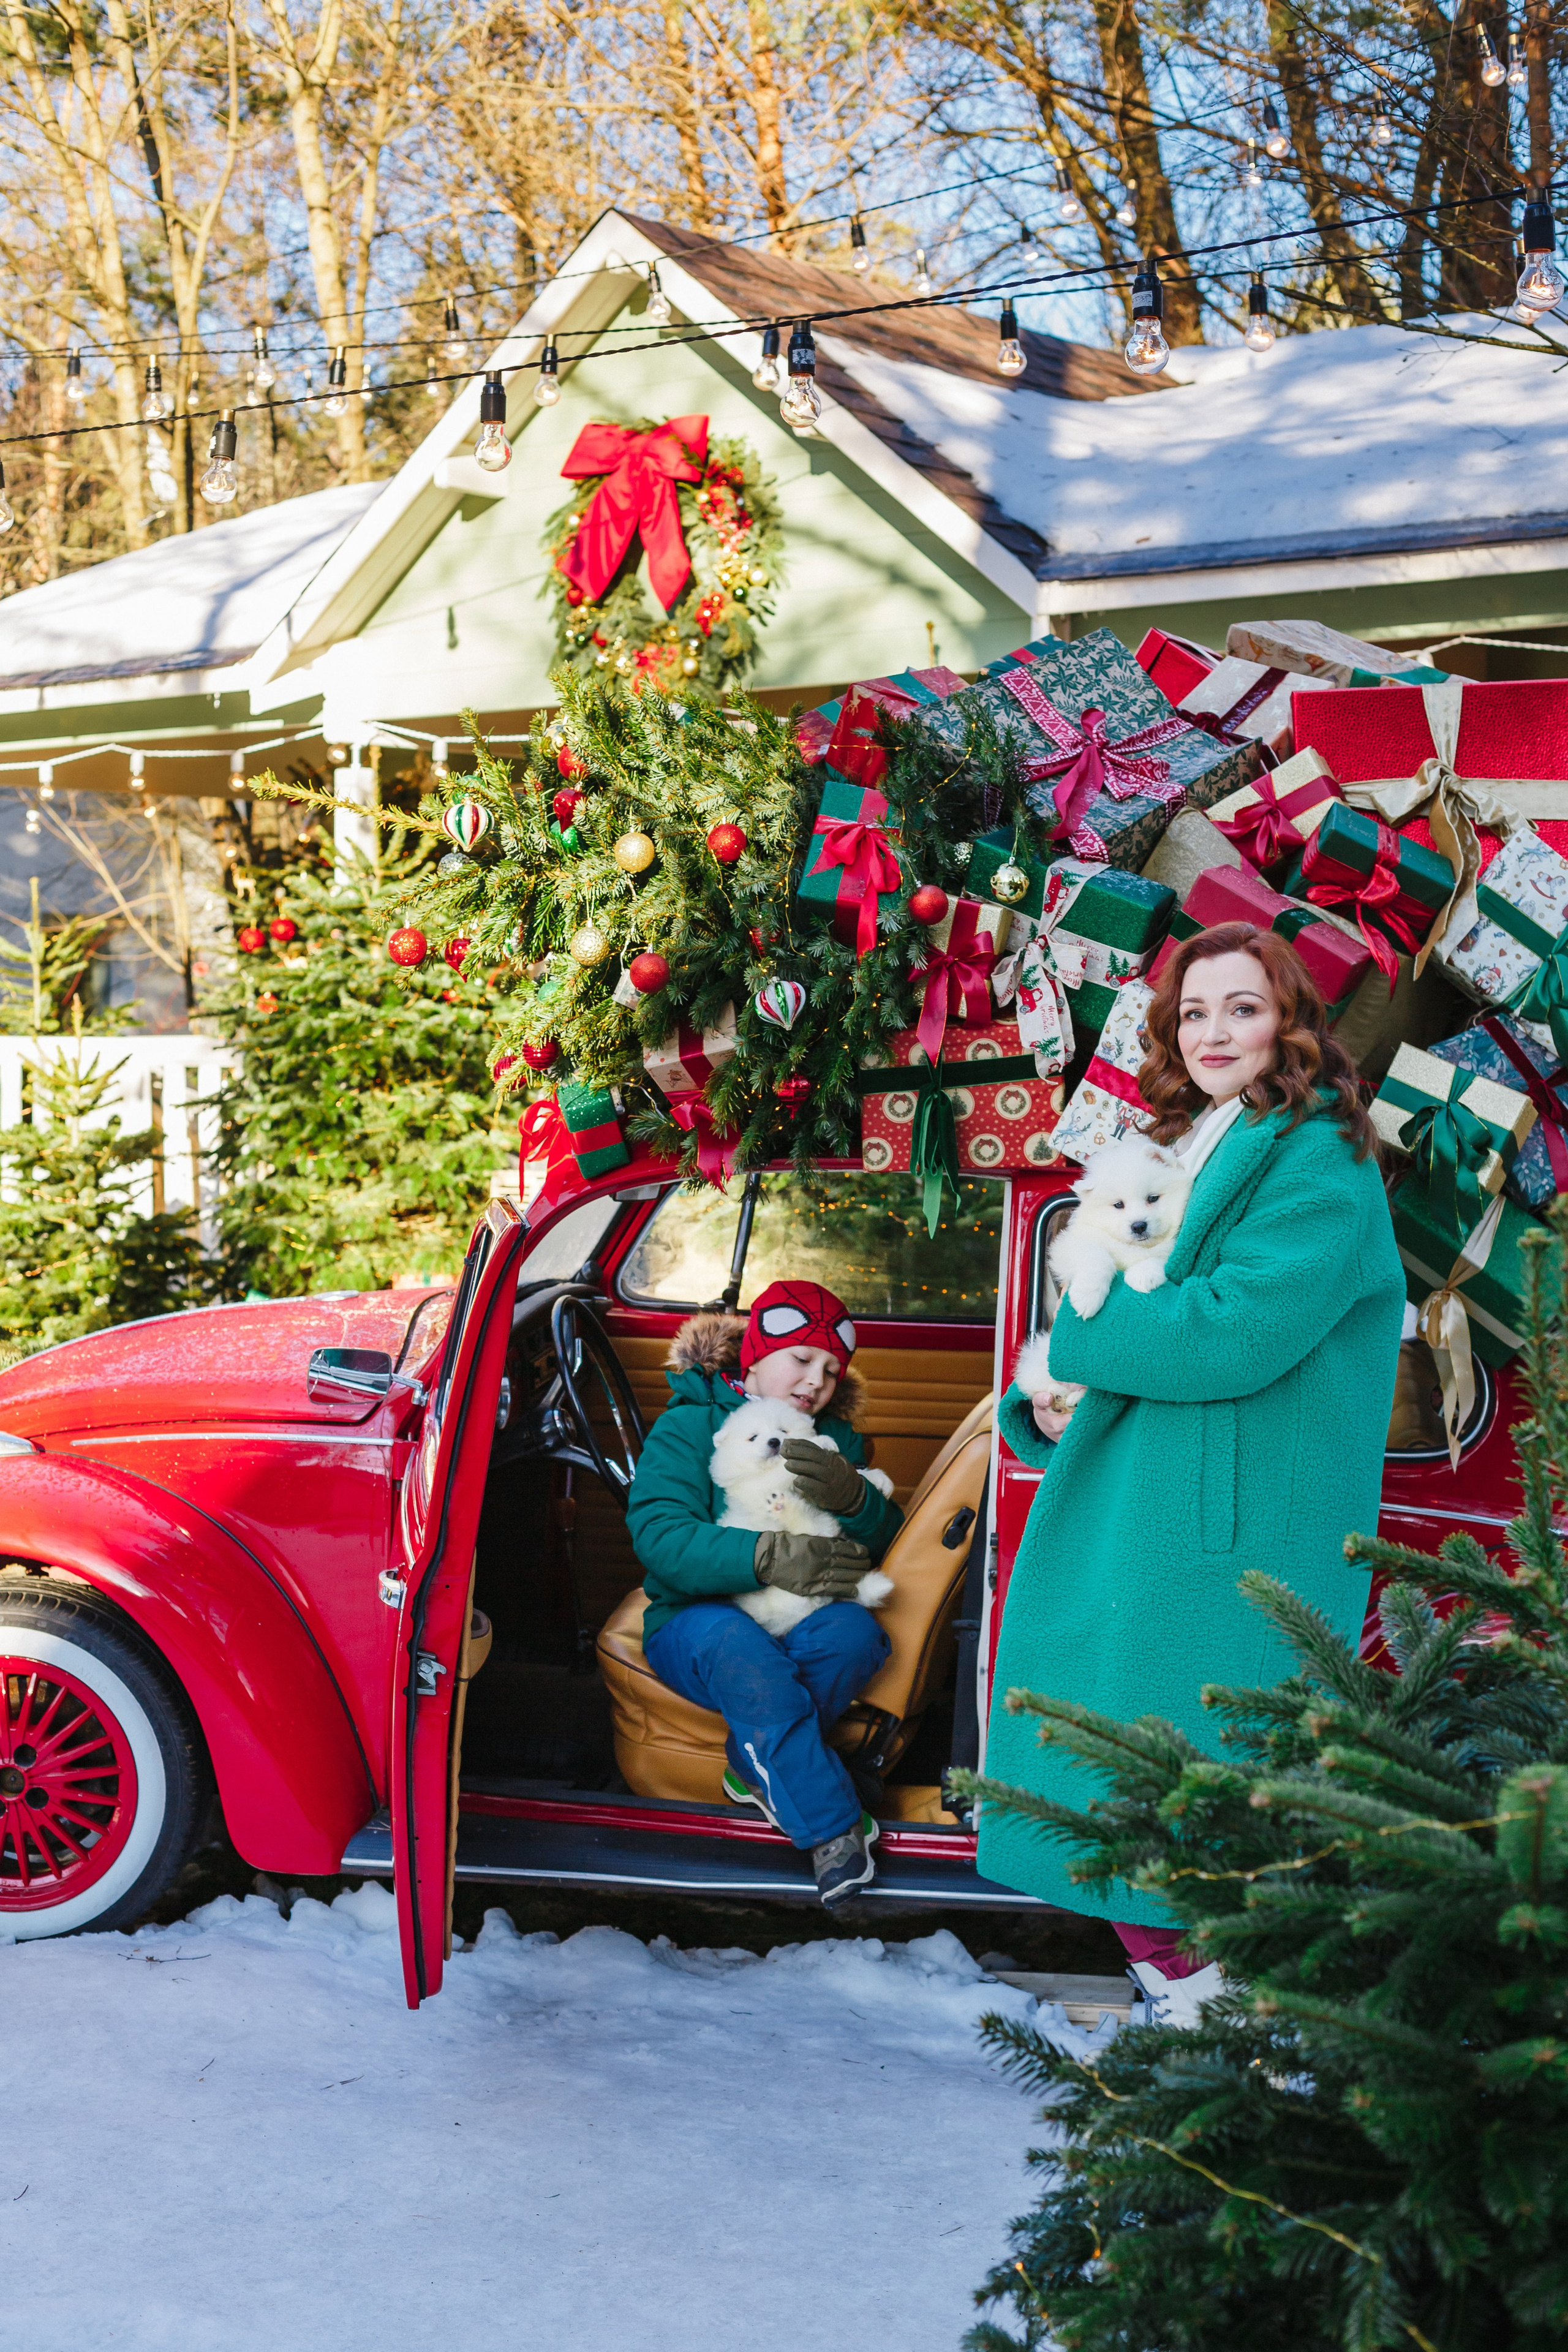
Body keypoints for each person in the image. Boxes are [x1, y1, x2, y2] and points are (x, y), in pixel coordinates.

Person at [981, 922, 1405, 2023]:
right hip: (1161, 1506)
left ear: (1294, 1020)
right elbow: (1137, 1290)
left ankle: (1225, 2022)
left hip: (1232, 1529)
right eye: (1195, 1011)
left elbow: (1232, 1329)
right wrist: (1052, 1392)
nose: (1215, 1030)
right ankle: (1208, 2016)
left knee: (1177, 1788)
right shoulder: (1197, 1137)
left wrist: (1081, 1344)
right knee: (1123, 1774)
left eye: (1245, 1007)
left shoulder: (1320, 1153)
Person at [626, 1278, 905, 1910]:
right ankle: (833, 1829)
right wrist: (765, 1556)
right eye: (802, 1360)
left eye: (833, 1371)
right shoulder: (693, 1426)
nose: (817, 1381)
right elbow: (661, 1536)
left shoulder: (838, 1445)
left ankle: (747, 1764)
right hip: (697, 1620)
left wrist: (855, 1499)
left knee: (856, 1634)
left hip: (801, 1615)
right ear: (752, 1358)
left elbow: (885, 1542)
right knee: (739, 1648)